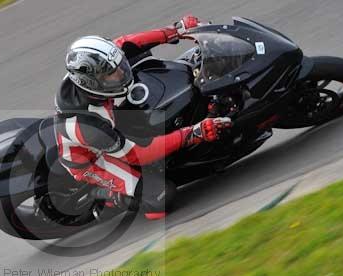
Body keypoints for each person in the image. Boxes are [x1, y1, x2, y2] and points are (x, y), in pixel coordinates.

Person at [54, 15, 232, 220]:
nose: (121, 73)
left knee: (141, 57)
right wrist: (193, 134)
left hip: (108, 126)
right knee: (161, 198)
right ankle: (108, 198)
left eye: (118, 67)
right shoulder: (87, 126)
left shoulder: (96, 68)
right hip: (93, 159)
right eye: (113, 74)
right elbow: (139, 154)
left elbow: (128, 43)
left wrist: (175, 31)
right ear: (92, 83)